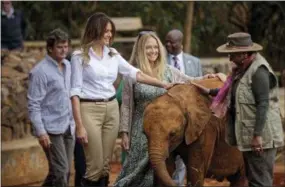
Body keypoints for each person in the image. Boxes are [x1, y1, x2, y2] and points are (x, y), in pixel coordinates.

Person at [70, 12, 173, 187]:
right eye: (106, 31)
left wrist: (162, 84)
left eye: (111, 31)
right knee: (94, 166)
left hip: (111, 109)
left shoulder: (113, 54)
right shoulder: (79, 56)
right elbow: (74, 92)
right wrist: (79, 126)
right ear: (95, 31)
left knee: (104, 166)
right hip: (89, 109)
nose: (110, 35)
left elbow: (134, 73)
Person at [114, 31, 215, 187]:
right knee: (134, 172)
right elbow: (126, 105)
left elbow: (189, 80)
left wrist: (208, 78)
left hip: (163, 132)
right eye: (148, 47)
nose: (153, 51)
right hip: (140, 130)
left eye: (156, 47)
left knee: (160, 172)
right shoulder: (132, 73)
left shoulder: (167, 70)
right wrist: (124, 133)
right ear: (141, 49)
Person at [193, 32, 284, 187]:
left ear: (243, 54)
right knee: (253, 178)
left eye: (232, 55)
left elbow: (263, 104)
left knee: (260, 181)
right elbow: (234, 91)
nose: (230, 58)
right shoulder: (243, 69)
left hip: (263, 137)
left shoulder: (259, 71)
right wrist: (209, 92)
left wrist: (257, 136)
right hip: (249, 134)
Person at [27, 28, 74, 187]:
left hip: (68, 126)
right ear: (50, 48)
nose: (63, 50)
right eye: (59, 47)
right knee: (61, 172)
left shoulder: (68, 65)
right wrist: (41, 132)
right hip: (51, 129)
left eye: (65, 46)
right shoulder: (40, 72)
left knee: (62, 172)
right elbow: (34, 104)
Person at [165, 29, 203, 185]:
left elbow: (199, 87)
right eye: (166, 41)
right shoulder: (161, 61)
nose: (168, 45)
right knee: (172, 154)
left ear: (180, 43)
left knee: (191, 154)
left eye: (172, 42)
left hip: (190, 116)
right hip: (169, 116)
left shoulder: (194, 62)